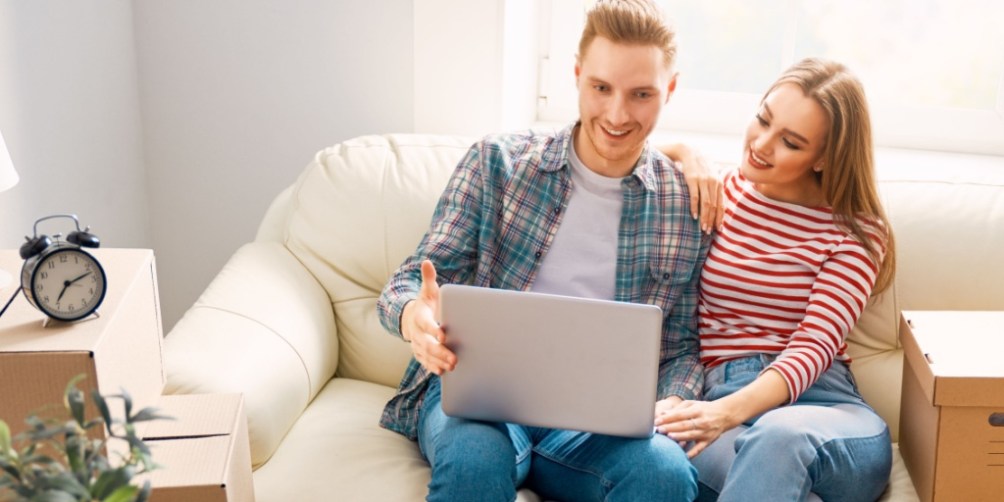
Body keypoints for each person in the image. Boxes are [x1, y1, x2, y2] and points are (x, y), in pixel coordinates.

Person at [376, 1, 713, 500]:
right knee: (475, 461)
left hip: (595, 429)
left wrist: (672, 402)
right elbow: (407, 284)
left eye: (641, 94)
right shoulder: (499, 163)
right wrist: (413, 320)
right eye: (601, 88)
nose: (617, 115)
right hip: (482, 406)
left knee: (663, 473)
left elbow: (682, 346)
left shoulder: (684, 203)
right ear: (576, 77)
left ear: (671, 90)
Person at [655, 57, 896, 502]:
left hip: (825, 411)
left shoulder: (854, 232)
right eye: (763, 119)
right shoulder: (721, 193)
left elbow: (815, 346)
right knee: (671, 453)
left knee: (781, 438)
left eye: (790, 142)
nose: (761, 145)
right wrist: (685, 153)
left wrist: (723, 413)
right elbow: (635, 158)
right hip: (721, 396)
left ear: (824, 157)